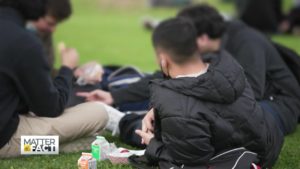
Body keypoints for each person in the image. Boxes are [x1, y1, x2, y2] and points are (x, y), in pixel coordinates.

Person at [79, 4, 300, 137]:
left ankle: (131, 126)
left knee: (231, 121)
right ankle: (126, 116)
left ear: (202, 38)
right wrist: (114, 96)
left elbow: (248, 95)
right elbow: (163, 78)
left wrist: (189, 98)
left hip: (276, 104)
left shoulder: (246, 42)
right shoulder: (204, 48)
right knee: (177, 94)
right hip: (236, 101)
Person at [135, 17, 283, 168]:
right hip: (267, 146)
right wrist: (157, 108)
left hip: (241, 161)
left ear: (163, 60)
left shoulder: (178, 107)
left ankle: (119, 121)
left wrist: (154, 146)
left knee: (143, 131)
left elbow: (188, 165)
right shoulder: (226, 64)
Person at [0, 0, 108, 158]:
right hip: (4, 140)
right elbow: (50, 108)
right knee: (99, 113)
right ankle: (52, 146)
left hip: (10, 118)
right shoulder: (23, 42)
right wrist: (67, 69)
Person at [26, 0, 72, 76]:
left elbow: (47, 73)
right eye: (50, 23)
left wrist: (76, 75)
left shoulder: (44, 34)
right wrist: (66, 68)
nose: (53, 30)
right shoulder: (16, 37)